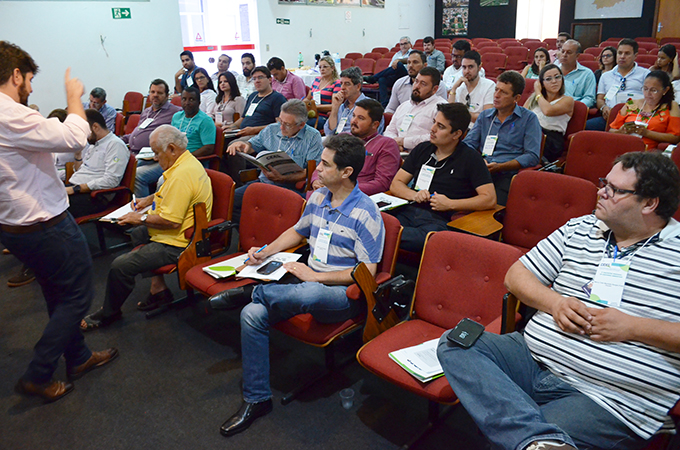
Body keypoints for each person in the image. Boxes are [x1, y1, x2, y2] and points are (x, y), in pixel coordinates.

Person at [437, 151, 680, 450]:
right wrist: (555, 303)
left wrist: (633, 327)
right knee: (457, 341)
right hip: (533, 358)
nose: (600, 192)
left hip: (607, 395)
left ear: (649, 203)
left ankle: (528, 434)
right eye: (604, 183)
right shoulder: (581, 228)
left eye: (615, 190)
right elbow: (516, 275)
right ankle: (534, 437)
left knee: (513, 437)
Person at [209, 133, 385, 437]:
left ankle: (253, 292)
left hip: (339, 296)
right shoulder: (317, 197)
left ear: (347, 172)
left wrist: (316, 276)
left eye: (325, 165)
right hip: (299, 286)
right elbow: (297, 231)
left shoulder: (366, 213)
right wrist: (265, 252)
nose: (317, 169)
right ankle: (257, 399)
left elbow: (365, 272)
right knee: (251, 314)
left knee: (311, 291)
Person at [0, 41, 117, 402]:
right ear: (15, 75)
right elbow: (74, 135)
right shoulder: (8, 113)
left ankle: (78, 356)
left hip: (15, 226)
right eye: (29, 80)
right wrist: (73, 97)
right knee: (78, 296)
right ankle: (39, 373)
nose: (31, 88)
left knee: (57, 292)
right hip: (45, 225)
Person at [81, 125, 213, 330]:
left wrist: (140, 218)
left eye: (157, 153)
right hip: (176, 232)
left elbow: (172, 222)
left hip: (179, 244)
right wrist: (149, 199)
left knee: (120, 266)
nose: (155, 158)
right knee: (138, 234)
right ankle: (159, 290)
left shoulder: (181, 175)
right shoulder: (185, 163)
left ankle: (109, 313)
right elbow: (173, 193)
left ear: (171, 149)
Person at [389, 103, 496, 252]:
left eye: (440, 126)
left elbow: (489, 199)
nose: (432, 129)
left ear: (456, 134)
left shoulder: (471, 158)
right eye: (434, 122)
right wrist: (414, 195)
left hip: (438, 220)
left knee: (408, 236)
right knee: (377, 223)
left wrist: (450, 204)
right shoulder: (423, 149)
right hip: (408, 210)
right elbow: (396, 183)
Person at [226, 99, 323, 222]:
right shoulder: (272, 129)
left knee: (282, 214)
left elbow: (310, 172)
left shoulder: (313, 137)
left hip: (291, 187)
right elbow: (252, 145)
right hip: (264, 182)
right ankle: (253, 228)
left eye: (287, 125)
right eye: (280, 121)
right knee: (230, 202)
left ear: (301, 125)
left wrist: (283, 178)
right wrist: (243, 145)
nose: (281, 127)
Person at [463, 70, 541, 206]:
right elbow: (468, 144)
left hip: (507, 174)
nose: (496, 95)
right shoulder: (485, 116)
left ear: (516, 98)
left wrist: (501, 166)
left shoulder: (529, 119)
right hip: (480, 169)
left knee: (490, 205)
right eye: (496, 90)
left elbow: (532, 156)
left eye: (503, 92)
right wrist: (478, 161)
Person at [310, 98, 401, 196]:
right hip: (326, 190)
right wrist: (316, 181)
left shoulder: (386, 145)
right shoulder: (343, 137)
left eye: (361, 118)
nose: (354, 121)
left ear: (375, 125)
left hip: (358, 197)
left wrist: (342, 189)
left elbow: (382, 183)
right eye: (353, 116)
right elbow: (323, 164)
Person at [135, 87, 215, 196]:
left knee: (152, 178)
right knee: (137, 168)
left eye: (191, 99)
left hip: (189, 162)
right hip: (170, 159)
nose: (187, 103)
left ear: (199, 102)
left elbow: (209, 148)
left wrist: (183, 157)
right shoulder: (177, 117)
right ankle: (142, 204)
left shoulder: (205, 120)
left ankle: (156, 205)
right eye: (184, 99)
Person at [66, 108, 131, 218]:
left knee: (53, 206)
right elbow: (82, 170)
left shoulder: (115, 145)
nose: (83, 136)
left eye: (84, 132)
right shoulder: (94, 144)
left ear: (95, 127)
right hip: (78, 189)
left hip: (95, 196)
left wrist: (76, 189)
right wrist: (77, 156)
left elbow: (111, 180)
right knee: (44, 196)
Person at [587, 39, 650, 131]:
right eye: (620, 53)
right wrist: (604, 108)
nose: (622, 57)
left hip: (635, 117)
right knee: (584, 128)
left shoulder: (645, 74)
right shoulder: (606, 76)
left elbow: (650, 99)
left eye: (627, 53)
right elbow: (600, 99)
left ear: (635, 56)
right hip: (610, 117)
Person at [609, 70, 680, 149]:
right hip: (624, 146)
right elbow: (611, 131)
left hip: (650, 151)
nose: (648, 94)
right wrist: (621, 132)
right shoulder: (631, 104)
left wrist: (647, 133)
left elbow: (675, 137)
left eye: (653, 90)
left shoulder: (671, 106)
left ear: (665, 90)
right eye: (645, 89)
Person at [384, 67, 447, 153]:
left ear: (434, 89)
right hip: (395, 151)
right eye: (416, 81)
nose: (417, 86)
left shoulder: (441, 108)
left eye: (423, 84)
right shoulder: (404, 105)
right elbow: (390, 130)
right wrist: (395, 143)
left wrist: (404, 142)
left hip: (423, 154)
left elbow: (437, 136)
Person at [524, 64, 574, 162]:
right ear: (541, 83)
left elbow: (547, 111)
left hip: (551, 140)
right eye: (548, 79)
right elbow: (523, 115)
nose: (554, 81)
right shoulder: (534, 99)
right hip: (532, 133)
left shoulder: (568, 100)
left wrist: (538, 92)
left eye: (557, 77)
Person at [224, 66, 287, 138]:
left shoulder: (277, 98)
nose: (257, 81)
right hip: (242, 132)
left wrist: (254, 130)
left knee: (234, 144)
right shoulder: (252, 96)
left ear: (270, 79)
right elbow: (243, 118)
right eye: (254, 78)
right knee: (221, 136)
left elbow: (279, 124)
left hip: (260, 136)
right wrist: (231, 127)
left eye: (260, 77)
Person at [122, 79, 181, 154]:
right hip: (131, 152)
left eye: (159, 93)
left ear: (167, 95)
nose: (155, 95)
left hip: (152, 155)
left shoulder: (176, 112)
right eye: (152, 92)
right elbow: (139, 131)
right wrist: (120, 140)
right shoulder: (146, 111)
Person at [325, 66, 384, 136]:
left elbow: (373, 135)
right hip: (336, 140)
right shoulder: (341, 107)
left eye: (347, 84)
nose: (342, 87)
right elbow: (329, 133)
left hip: (356, 141)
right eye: (341, 84)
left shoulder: (371, 107)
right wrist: (335, 108)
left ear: (358, 87)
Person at [385, 50, 447, 115]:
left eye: (415, 62)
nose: (410, 66)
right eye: (409, 62)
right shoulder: (399, 83)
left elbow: (442, 112)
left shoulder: (437, 85)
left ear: (425, 65)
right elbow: (390, 109)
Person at [448, 50, 495, 128]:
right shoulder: (459, 87)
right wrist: (454, 89)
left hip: (478, 128)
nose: (467, 71)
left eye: (470, 67)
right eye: (464, 67)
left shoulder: (489, 86)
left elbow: (486, 117)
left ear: (479, 68)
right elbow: (449, 113)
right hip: (459, 128)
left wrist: (460, 114)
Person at [363, 36, 413, 106]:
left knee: (399, 64)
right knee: (382, 79)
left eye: (405, 43)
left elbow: (410, 61)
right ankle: (384, 104)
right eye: (401, 44)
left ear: (410, 44)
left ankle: (373, 78)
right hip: (395, 76)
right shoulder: (397, 54)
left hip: (406, 75)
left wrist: (398, 61)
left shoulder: (413, 53)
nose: (403, 46)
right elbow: (390, 67)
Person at [303, 55, 341, 129]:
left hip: (325, 115)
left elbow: (334, 106)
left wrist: (316, 107)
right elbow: (308, 98)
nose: (322, 69)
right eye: (320, 67)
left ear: (332, 68)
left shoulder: (336, 83)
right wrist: (303, 103)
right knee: (294, 120)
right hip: (312, 112)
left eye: (325, 67)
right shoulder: (317, 80)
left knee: (303, 124)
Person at [557, 39, 596, 108]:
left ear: (577, 56)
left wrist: (576, 107)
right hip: (552, 108)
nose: (564, 55)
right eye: (562, 52)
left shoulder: (586, 74)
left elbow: (589, 98)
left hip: (574, 108)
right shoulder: (551, 71)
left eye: (569, 52)